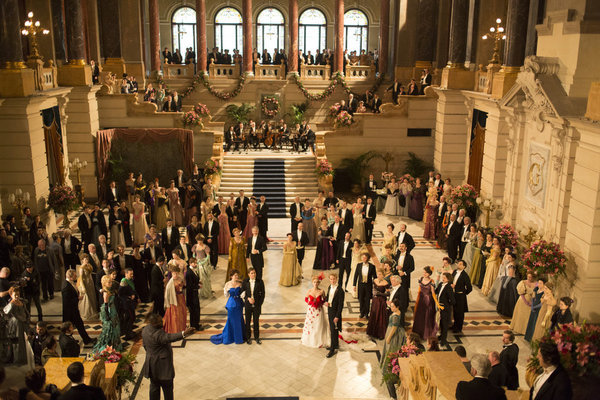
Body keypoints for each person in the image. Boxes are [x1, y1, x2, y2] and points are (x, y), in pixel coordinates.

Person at [141, 314, 195, 400]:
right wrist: (184, 333)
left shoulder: (145, 330)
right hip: (163, 369)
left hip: (152, 366)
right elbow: (170, 337)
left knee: (154, 388)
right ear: (154, 323)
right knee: (168, 391)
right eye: (159, 321)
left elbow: (145, 346)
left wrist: (153, 354)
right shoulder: (158, 334)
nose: (162, 322)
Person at [380, 298, 407, 399]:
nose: (391, 308)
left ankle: (390, 369)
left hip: (394, 334)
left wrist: (389, 337)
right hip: (394, 331)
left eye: (393, 307)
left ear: (397, 307)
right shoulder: (398, 312)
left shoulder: (395, 316)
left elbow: (394, 328)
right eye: (391, 306)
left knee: (391, 350)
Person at [211, 270, 245, 345]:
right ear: (231, 276)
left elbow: (243, 294)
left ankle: (239, 338)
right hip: (231, 304)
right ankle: (230, 336)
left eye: (237, 275)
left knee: (239, 320)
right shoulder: (227, 284)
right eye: (235, 275)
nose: (237, 276)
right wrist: (228, 291)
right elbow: (226, 295)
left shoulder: (240, 284)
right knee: (231, 320)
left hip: (239, 304)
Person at [62, 269, 94, 345]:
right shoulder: (66, 286)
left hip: (73, 309)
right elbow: (67, 301)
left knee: (78, 325)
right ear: (70, 277)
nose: (76, 276)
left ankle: (86, 339)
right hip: (70, 311)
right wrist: (77, 299)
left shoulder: (69, 283)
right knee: (70, 327)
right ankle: (83, 340)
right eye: (75, 275)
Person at [92, 274, 121, 353]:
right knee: (110, 328)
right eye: (109, 282)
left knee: (116, 326)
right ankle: (110, 345)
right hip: (109, 310)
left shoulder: (110, 289)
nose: (111, 284)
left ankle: (116, 344)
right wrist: (107, 316)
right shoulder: (105, 292)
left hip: (113, 308)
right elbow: (106, 305)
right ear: (104, 283)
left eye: (111, 282)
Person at [301, 275, 330, 348]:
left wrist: (320, 302)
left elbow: (324, 299)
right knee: (311, 324)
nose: (316, 284)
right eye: (314, 282)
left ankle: (319, 341)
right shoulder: (309, 291)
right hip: (311, 311)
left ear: (319, 283)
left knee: (318, 324)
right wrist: (309, 302)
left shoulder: (321, 291)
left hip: (319, 310)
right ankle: (310, 340)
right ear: (312, 282)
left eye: (317, 282)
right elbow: (306, 299)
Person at [412, 266, 439, 342]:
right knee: (420, 316)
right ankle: (418, 332)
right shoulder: (421, 279)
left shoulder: (431, 282)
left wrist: (437, 303)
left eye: (425, 272)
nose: (424, 273)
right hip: (421, 299)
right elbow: (419, 289)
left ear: (429, 273)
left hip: (428, 300)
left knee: (427, 317)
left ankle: (426, 334)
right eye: (423, 272)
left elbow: (433, 293)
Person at [241, 268, 264, 345]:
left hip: (256, 305)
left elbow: (263, 294)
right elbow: (242, 292)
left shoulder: (260, 281)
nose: (253, 274)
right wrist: (247, 299)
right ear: (248, 274)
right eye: (251, 273)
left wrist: (258, 303)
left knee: (256, 321)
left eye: (254, 273)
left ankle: (257, 337)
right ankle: (248, 337)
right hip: (248, 305)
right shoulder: (245, 282)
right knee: (247, 321)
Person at [367, 269, 390, 340]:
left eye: (380, 274)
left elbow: (388, 293)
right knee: (374, 315)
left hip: (382, 301)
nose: (378, 276)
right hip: (375, 300)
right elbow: (373, 290)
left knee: (380, 317)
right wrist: (374, 294)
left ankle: (380, 333)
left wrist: (380, 294)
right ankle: (372, 332)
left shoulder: (386, 283)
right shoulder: (375, 280)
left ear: (383, 275)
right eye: (378, 274)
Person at [163, 265, 187, 334]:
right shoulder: (170, 283)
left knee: (182, 313)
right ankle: (176, 330)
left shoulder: (180, 278)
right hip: (174, 300)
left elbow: (183, 286)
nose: (175, 275)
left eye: (176, 273)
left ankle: (182, 327)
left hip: (181, 298)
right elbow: (167, 294)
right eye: (174, 274)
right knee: (175, 315)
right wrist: (168, 303)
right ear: (172, 273)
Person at [325, 274, 344, 358]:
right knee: (332, 329)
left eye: (334, 279)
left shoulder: (340, 290)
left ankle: (332, 349)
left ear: (337, 279)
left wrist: (337, 316)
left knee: (333, 330)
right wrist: (326, 301)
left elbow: (341, 305)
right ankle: (335, 344)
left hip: (335, 312)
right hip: (330, 310)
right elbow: (328, 297)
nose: (332, 281)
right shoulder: (329, 287)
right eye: (331, 279)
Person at [353, 252, 377, 319]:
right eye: (362, 257)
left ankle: (366, 313)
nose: (363, 259)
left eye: (365, 257)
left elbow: (375, 276)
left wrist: (376, 285)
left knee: (367, 299)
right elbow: (356, 275)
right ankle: (361, 312)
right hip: (360, 285)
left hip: (368, 285)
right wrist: (354, 285)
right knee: (361, 299)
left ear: (368, 258)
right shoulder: (359, 265)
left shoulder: (372, 266)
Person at [452, 260, 472, 333]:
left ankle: (459, 328)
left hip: (460, 296)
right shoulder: (454, 272)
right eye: (458, 264)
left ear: (464, 266)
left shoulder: (465, 275)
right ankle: (455, 325)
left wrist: (463, 293)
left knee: (460, 313)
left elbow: (469, 288)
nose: (458, 265)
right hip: (454, 294)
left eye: (460, 264)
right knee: (454, 311)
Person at [525, 277, 547, 342]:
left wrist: (535, 307)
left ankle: (532, 337)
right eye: (538, 283)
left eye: (540, 283)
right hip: (533, 306)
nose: (539, 284)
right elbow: (533, 297)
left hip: (538, 309)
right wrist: (532, 305)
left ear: (544, 284)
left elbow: (542, 303)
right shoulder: (536, 289)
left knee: (535, 322)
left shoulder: (544, 293)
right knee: (531, 321)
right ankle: (528, 337)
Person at [436, 272, 455, 346]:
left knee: (444, 324)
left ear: (448, 279)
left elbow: (453, 301)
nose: (442, 279)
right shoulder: (441, 284)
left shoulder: (449, 287)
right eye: (442, 277)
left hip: (445, 309)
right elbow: (436, 291)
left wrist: (446, 305)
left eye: (444, 278)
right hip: (439, 307)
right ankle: (441, 336)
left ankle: (444, 340)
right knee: (440, 323)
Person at [185, 258, 201, 330]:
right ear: (190, 263)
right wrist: (198, 286)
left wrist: (198, 283)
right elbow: (189, 285)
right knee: (194, 310)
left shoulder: (193, 270)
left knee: (196, 309)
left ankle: (196, 324)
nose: (196, 264)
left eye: (196, 263)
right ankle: (194, 325)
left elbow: (195, 280)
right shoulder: (189, 272)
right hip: (192, 295)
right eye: (194, 263)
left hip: (195, 293)